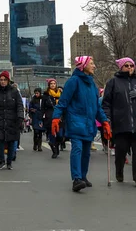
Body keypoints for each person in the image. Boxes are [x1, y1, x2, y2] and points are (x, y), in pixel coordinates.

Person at [53, 56, 111, 192]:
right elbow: (63, 102)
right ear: (83, 66)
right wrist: (56, 118)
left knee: (86, 152)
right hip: (76, 122)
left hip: (88, 124)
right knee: (77, 149)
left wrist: (104, 122)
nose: (94, 66)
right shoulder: (73, 82)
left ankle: (83, 176)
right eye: (91, 63)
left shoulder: (92, 85)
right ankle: (76, 179)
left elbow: (97, 107)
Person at [102, 57, 136, 188]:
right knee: (120, 152)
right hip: (121, 123)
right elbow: (106, 103)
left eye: (131, 65)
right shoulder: (113, 82)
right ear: (121, 67)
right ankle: (119, 171)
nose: (129, 68)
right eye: (126, 65)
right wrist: (107, 119)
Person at [0, 71, 24, 170]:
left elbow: (19, 105)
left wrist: (20, 117)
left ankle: (9, 161)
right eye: (1, 80)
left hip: (12, 120)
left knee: (11, 141)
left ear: (8, 80)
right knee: (0, 141)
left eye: (5, 80)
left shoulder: (14, 91)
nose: (3, 82)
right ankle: (1, 161)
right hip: (0, 120)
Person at [43, 79, 62, 158]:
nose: (53, 85)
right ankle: (54, 150)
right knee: (51, 135)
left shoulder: (60, 93)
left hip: (60, 117)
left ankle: (56, 145)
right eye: (51, 84)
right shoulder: (46, 95)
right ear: (49, 85)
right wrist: (42, 118)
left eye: (54, 83)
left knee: (60, 135)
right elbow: (42, 107)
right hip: (50, 117)